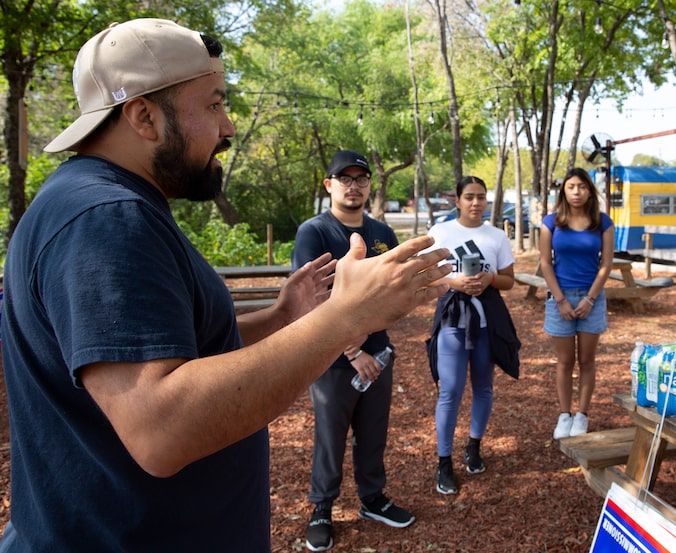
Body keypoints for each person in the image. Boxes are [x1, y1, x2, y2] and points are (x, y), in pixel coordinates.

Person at [0, 19, 451, 553]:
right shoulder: (105, 218)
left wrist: (283, 319)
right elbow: (161, 428)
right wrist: (346, 320)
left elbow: (178, 351)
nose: (230, 126)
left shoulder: (97, 203)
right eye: (213, 105)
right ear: (144, 116)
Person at [292, 150, 414, 552]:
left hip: (378, 354)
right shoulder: (315, 232)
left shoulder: (382, 234)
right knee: (331, 434)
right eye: (344, 178)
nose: (354, 185)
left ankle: (372, 498)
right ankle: (322, 508)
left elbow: (394, 294)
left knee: (374, 431)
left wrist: (373, 346)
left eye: (361, 178)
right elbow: (312, 298)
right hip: (332, 356)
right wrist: (350, 349)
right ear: (329, 185)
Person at [424, 176, 520, 495]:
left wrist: (489, 279)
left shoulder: (496, 236)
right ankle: (443, 462)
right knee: (450, 389)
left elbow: (509, 280)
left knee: (484, 386)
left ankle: (474, 447)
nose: (476, 203)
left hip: (486, 319)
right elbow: (424, 275)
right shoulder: (441, 232)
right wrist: (454, 282)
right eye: (469, 197)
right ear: (458, 200)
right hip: (453, 316)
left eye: (481, 197)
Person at [540, 168, 614, 440]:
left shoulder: (602, 222)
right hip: (560, 297)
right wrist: (560, 300)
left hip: (591, 297)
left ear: (589, 191)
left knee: (586, 360)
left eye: (582, 187)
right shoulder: (551, 222)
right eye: (571, 187)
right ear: (563, 190)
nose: (576, 192)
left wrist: (590, 299)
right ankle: (564, 415)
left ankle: (582, 414)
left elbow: (606, 265)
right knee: (564, 361)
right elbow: (546, 264)